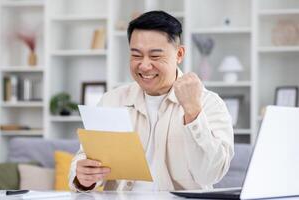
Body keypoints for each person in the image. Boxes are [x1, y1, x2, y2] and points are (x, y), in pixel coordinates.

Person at [69, 10, 234, 192]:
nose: (145, 65)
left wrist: (193, 112)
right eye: (136, 55)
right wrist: (83, 178)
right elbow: (85, 157)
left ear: (179, 54)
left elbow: (210, 174)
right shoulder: (112, 100)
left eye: (155, 56)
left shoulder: (209, 103)